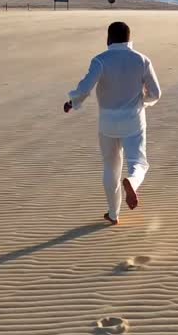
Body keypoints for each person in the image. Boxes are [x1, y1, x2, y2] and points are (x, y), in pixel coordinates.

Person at [64, 21, 162, 225]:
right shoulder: (142, 60)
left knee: (110, 166)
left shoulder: (100, 60)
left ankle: (113, 213)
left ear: (108, 39)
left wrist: (72, 103)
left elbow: (84, 88)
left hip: (107, 122)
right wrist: (141, 101)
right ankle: (132, 183)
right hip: (133, 120)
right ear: (129, 38)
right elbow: (156, 93)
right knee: (138, 163)